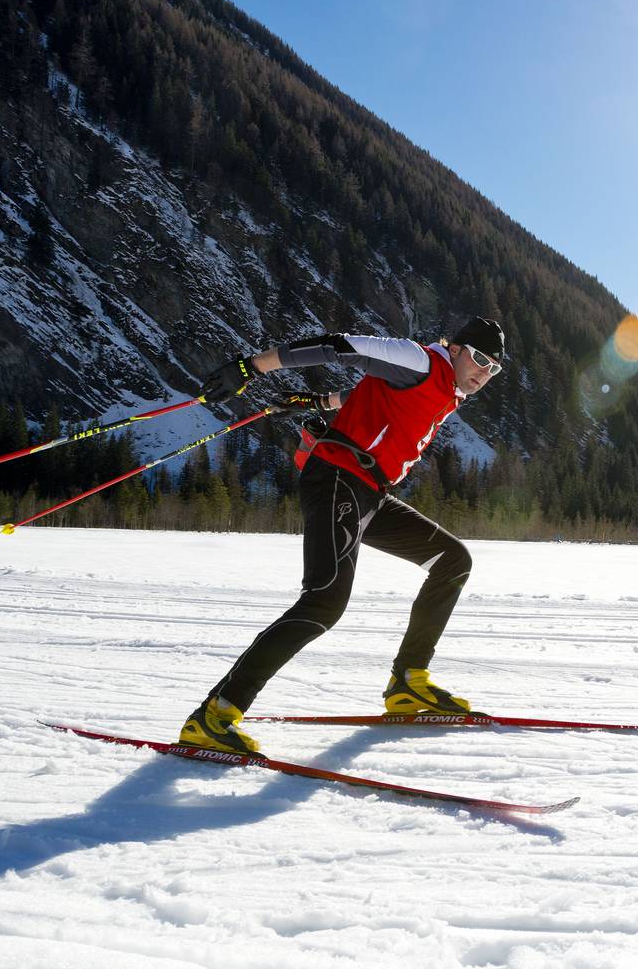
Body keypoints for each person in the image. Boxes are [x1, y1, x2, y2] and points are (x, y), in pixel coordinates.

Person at [179, 317, 507, 755]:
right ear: (455, 349)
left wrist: (317, 401)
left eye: (494, 369)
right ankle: (216, 714)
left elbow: (366, 395)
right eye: (480, 359)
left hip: (369, 492)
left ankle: (409, 684)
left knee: (453, 561)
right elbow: (338, 346)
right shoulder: (420, 361)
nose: (484, 373)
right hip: (338, 478)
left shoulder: (444, 391)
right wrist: (252, 368)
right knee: (324, 601)